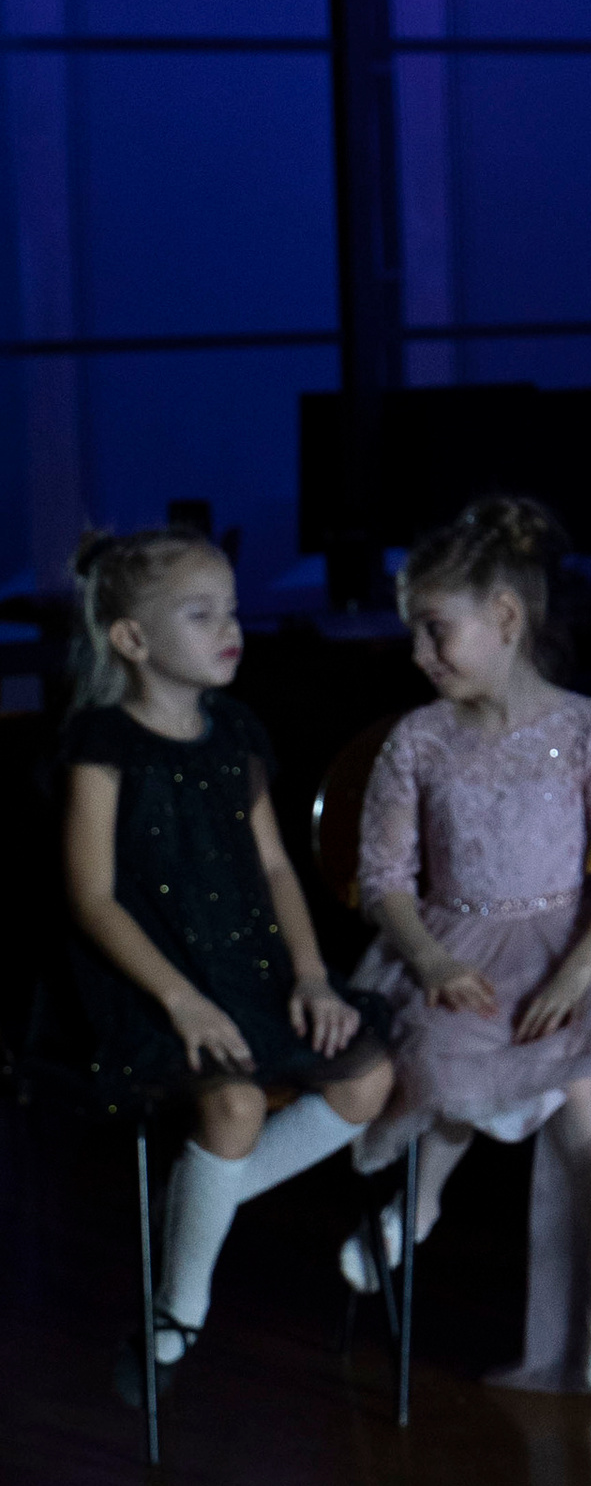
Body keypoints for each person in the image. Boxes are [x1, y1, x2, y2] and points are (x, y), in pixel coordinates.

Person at [347, 496, 591, 1393]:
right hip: (460, 941)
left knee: (585, 1092)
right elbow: (384, 882)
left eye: (435, 631)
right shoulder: (419, 740)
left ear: (506, 620)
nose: (419, 654)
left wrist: (574, 975)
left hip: (584, 942)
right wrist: (434, 960)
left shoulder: (587, 729)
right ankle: (416, 1206)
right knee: (445, 1059)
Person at [60, 528, 395, 1393]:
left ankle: (200, 1201)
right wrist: (181, 1001)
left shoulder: (236, 731)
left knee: (367, 1080)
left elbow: (278, 867)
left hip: (252, 971)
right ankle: (180, 1304)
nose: (229, 629)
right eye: (201, 614)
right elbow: (93, 896)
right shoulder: (104, 743)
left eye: (233, 611)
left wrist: (316, 976)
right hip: (156, 984)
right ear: (132, 640)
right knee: (237, 1103)